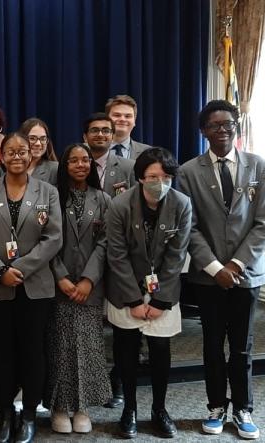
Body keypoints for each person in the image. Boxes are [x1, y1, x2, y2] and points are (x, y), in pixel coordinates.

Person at [177, 100, 265, 440]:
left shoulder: (259, 167)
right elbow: (190, 227)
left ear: (237, 127)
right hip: (207, 276)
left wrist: (235, 264)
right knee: (213, 344)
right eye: (215, 125)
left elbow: (263, 223)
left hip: (248, 274)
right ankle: (216, 407)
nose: (223, 130)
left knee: (243, 345)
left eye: (228, 124)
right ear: (203, 131)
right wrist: (216, 267)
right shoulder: (188, 172)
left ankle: (243, 408)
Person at [0, 132, 63, 443]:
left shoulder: (47, 191)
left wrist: (18, 268)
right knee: (2, 354)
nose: (18, 156)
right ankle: (6, 414)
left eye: (23, 150)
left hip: (35, 287)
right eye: (11, 151)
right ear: (2, 156)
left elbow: (53, 238)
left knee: (33, 352)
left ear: (32, 154)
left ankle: (31, 415)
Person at [105, 147, 191, 439]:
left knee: (160, 351)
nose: (160, 182)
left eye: (166, 176)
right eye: (153, 176)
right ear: (140, 178)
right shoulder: (119, 205)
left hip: (163, 291)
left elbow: (176, 256)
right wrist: (133, 299)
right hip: (125, 289)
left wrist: (160, 300)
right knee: (126, 351)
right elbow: (116, 255)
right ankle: (129, 409)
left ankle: (159, 409)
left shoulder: (182, 204)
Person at [46, 143, 112, 434]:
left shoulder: (103, 199)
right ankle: (59, 406)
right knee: (59, 347)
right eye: (73, 160)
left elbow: (106, 242)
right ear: (64, 164)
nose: (80, 164)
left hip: (90, 287)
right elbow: (44, 240)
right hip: (56, 284)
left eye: (85, 160)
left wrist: (88, 280)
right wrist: (60, 276)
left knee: (87, 346)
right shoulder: (51, 197)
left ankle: (83, 406)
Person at [81, 112, 135, 408]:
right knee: (88, 323)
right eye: (94, 130)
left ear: (113, 136)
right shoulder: (75, 163)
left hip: (117, 256)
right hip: (81, 255)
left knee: (119, 326)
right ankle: (89, 380)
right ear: (85, 136)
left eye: (106, 131)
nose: (100, 135)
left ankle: (116, 383)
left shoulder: (127, 168)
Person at [106, 95, 153, 160]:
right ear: (106, 119)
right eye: (117, 115)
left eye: (128, 116)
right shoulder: (90, 150)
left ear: (134, 121)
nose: (122, 119)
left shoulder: (148, 153)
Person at [19, 117, 58, 184]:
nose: (38, 143)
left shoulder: (55, 169)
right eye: (32, 138)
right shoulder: (5, 168)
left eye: (43, 139)